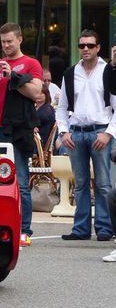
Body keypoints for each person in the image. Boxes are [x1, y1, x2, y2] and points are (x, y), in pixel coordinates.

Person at [0, 22, 43, 247]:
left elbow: (37, 93)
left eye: (9, 41)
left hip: (18, 129)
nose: (6, 45)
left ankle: (25, 230)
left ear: (19, 40)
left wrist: (14, 77)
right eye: (3, 42)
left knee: (21, 181)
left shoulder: (30, 63)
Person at [56, 30, 116, 242]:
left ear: (98, 47)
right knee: (80, 183)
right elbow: (61, 107)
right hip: (77, 133)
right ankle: (80, 229)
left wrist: (109, 133)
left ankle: (104, 228)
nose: (86, 49)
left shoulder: (108, 71)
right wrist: (63, 132)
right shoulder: (70, 73)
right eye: (82, 46)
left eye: (90, 45)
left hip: (101, 130)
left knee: (103, 183)